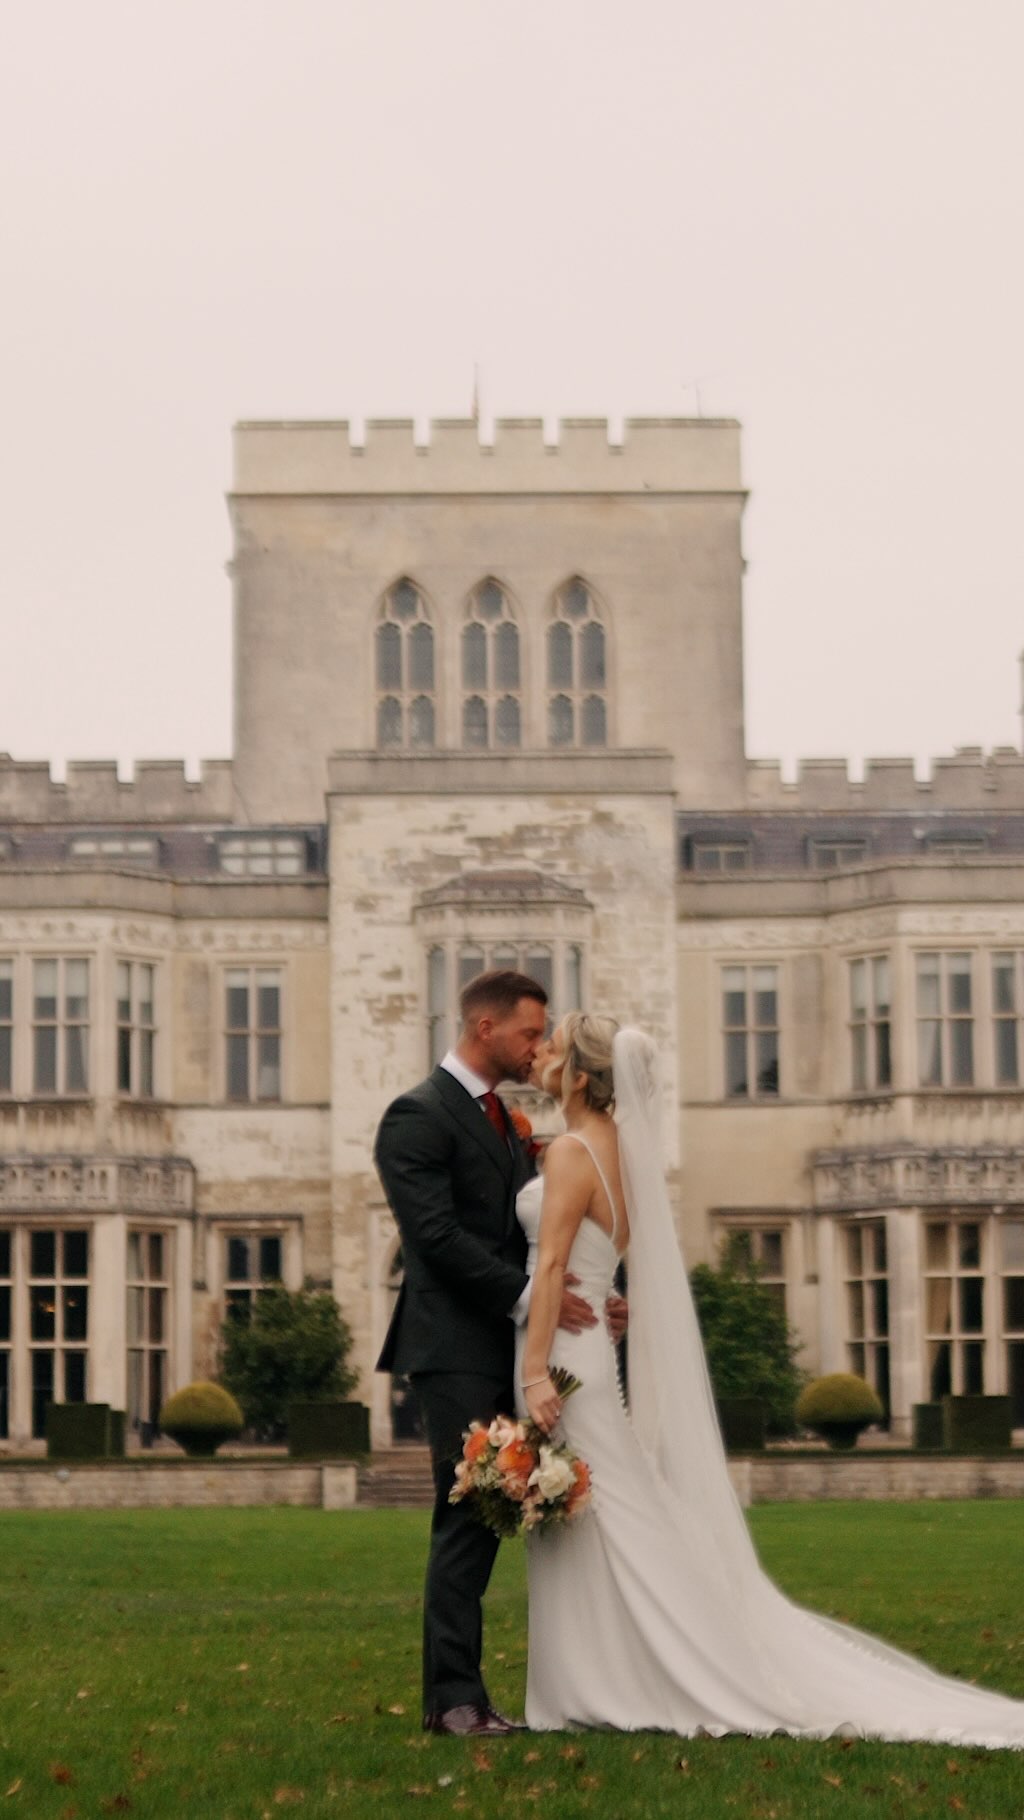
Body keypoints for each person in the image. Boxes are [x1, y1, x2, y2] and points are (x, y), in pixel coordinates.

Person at [517, 1013, 1024, 1746]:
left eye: (553, 1047)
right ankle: (601, 1672)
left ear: (580, 1075)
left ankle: (649, 1669)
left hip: (565, 1355)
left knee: (601, 1510)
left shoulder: (570, 1151)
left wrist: (535, 1370)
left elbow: (557, 1265)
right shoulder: (624, 1153)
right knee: (595, 1508)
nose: (540, 1055)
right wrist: (601, 1305)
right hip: (591, 1339)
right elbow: (602, 1261)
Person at [374, 971, 625, 1738]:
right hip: (454, 1348)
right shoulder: (414, 1117)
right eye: (527, 1034)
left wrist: (584, 1288)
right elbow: (437, 1240)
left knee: (498, 1519)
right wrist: (531, 1297)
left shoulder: (505, 1122)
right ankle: (453, 1700)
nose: (536, 1048)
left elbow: (540, 1230)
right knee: (467, 1520)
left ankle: (475, 1696)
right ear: (485, 1029)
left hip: (519, 1342)